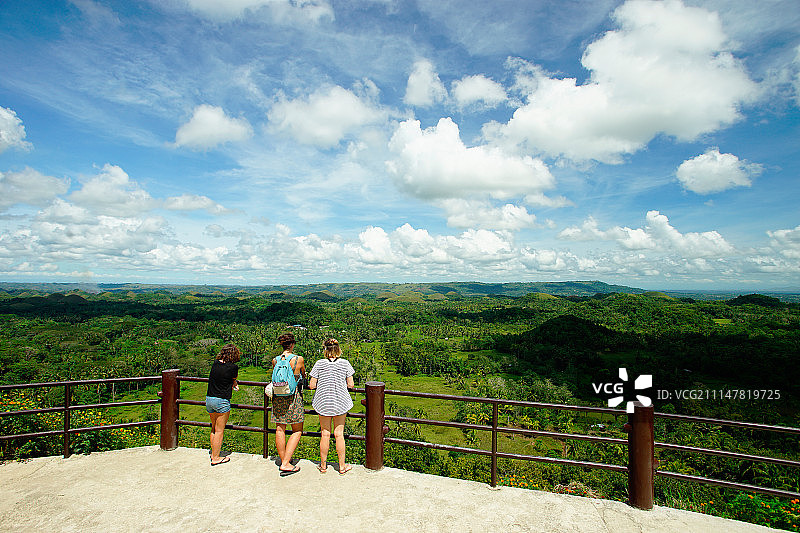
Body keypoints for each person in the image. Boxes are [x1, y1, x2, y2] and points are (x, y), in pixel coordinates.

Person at [308, 338, 355, 474]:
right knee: (339, 434)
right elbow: (351, 384)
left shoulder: (319, 364)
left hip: (323, 401)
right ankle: (342, 466)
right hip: (340, 401)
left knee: (325, 434)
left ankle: (323, 466)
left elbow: (312, 385)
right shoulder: (345, 363)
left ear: (325, 350)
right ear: (338, 349)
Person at [271, 333, 306, 476]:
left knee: (280, 429)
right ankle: (286, 463)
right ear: (292, 344)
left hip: (278, 396)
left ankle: (284, 460)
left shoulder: (275, 360)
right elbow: (303, 374)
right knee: (297, 430)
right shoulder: (298, 359)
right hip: (293, 396)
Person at [206, 343, 240, 466]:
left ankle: (213, 453)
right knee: (220, 431)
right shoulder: (233, 367)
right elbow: (233, 378)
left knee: (214, 428)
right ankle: (216, 457)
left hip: (209, 399)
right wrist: (234, 383)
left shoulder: (215, 363)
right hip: (222, 401)